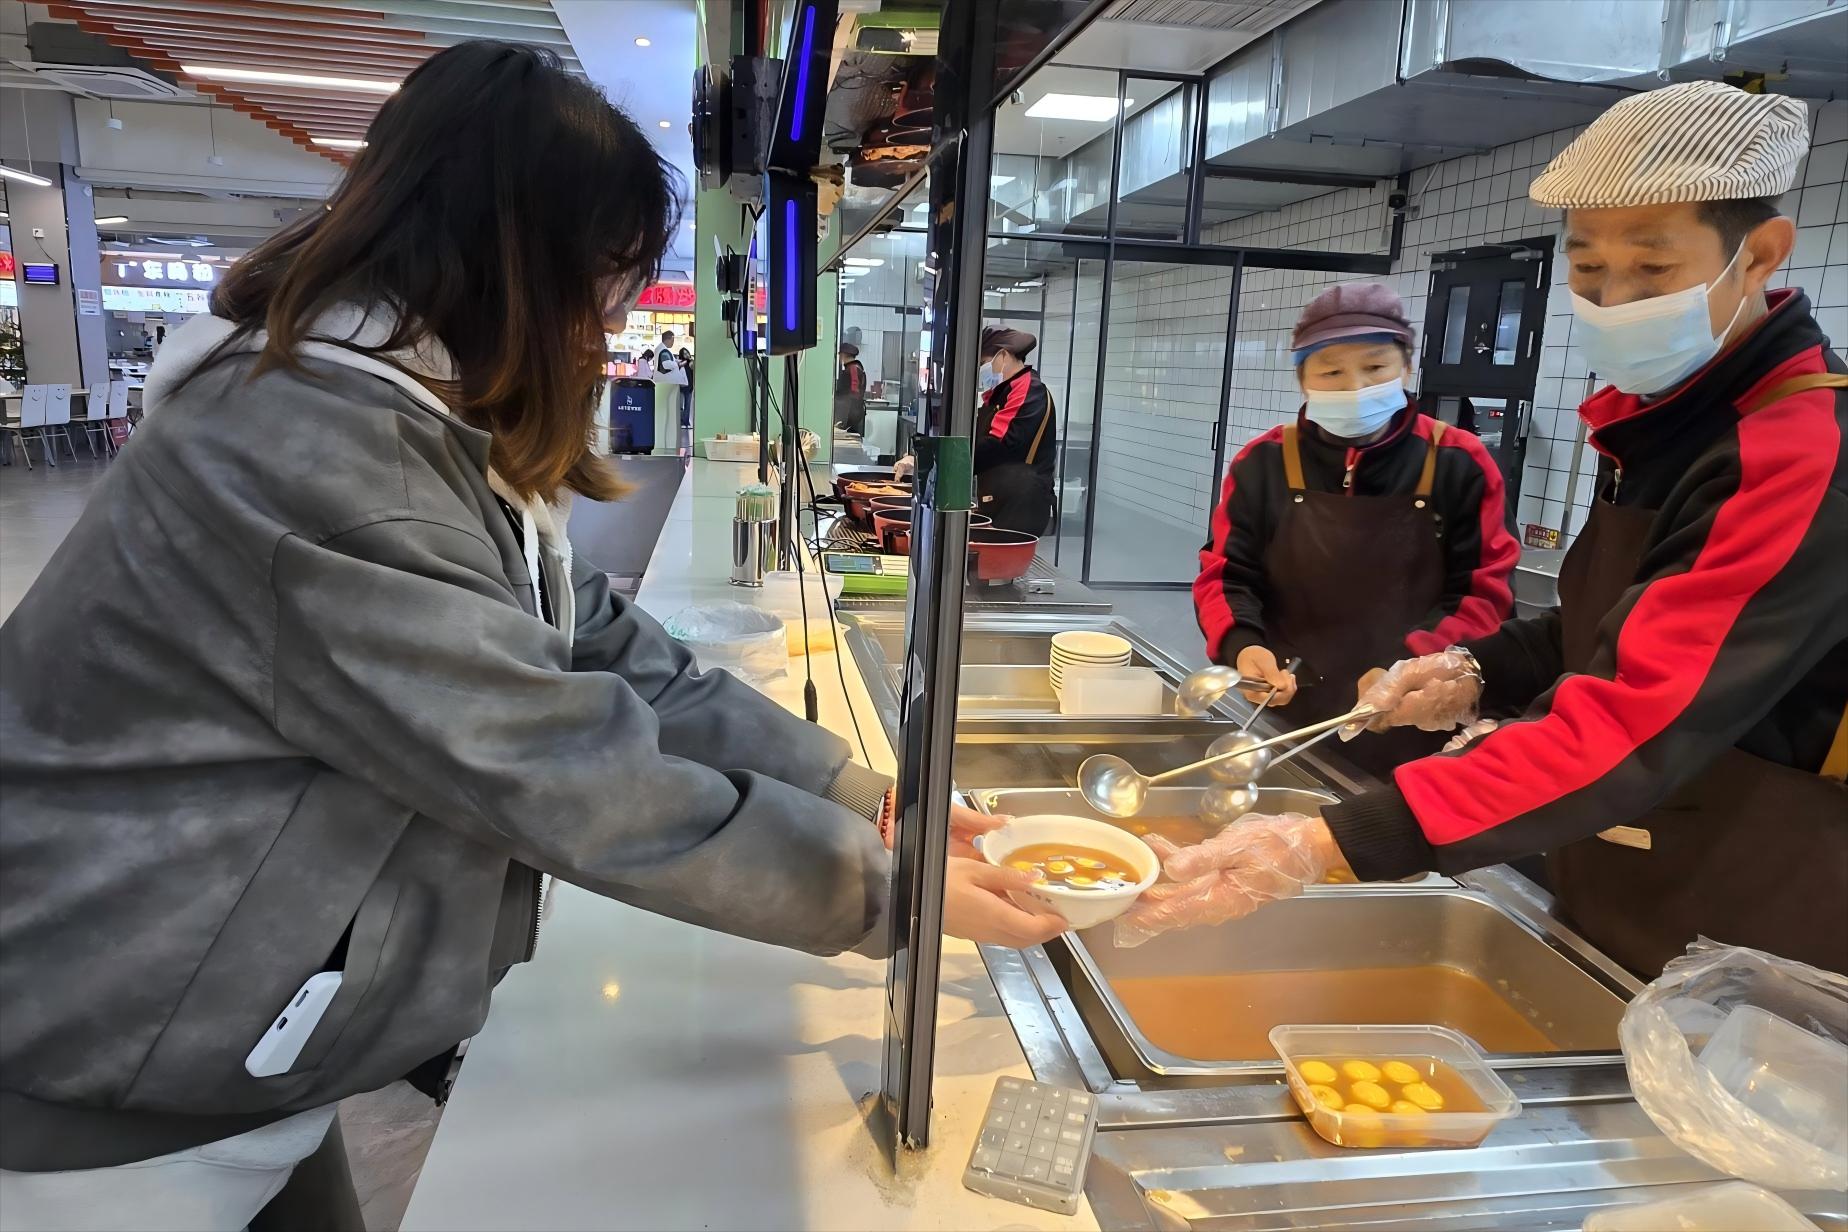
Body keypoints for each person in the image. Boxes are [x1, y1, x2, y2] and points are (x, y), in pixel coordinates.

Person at [0, 42, 1064, 1228]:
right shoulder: (319, 459)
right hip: (118, 1073)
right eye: (601, 292)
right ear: (514, 263)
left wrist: (869, 800)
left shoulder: (400, 412)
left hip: (238, 1040)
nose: (604, 331)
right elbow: (564, 772)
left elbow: (602, 645)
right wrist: (894, 890)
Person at [1123, 81, 1847, 979]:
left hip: (1745, 922)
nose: (1614, 299)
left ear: (1761, 254)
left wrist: (1332, 840)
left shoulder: (1795, 451)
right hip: (1622, 859)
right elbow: (1609, 625)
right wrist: (1478, 669)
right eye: (1587, 269)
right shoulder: (1662, 421)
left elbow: (1637, 711)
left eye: (1653, 269)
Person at [1194, 283, 1519, 775]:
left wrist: (1407, 665)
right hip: (1287, 707)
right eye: (1331, 371)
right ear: (1302, 379)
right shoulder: (1263, 462)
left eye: (1375, 367)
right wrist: (1244, 645)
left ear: (1406, 368)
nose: (1355, 387)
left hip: (1415, 716)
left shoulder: (1458, 461)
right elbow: (1225, 573)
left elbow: (1484, 594)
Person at [974, 325, 1057, 535]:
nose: (981, 370)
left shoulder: (1028, 389)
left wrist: (946, 459)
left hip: (1020, 505)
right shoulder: (1001, 393)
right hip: (1000, 497)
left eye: (983, 363)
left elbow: (998, 445)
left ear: (1003, 356)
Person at [835, 340, 868, 434]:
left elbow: (854, 391)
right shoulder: (855, 367)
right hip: (853, 411)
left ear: (844, 355)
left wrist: (839, 401)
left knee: (851, 436)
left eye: (840, 355)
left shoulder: (853, 368)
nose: (839, 357)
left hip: (852, 413)